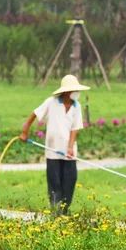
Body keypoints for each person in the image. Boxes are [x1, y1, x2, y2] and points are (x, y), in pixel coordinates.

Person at [19, 74, 89, 215]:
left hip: (69, 153)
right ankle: (55, 211)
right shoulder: (51, 103)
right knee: (54, 183)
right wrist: (25, 131)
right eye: (74, 90)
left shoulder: (77, 106)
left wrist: (70, 147)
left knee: (70, 181)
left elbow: (75, 128)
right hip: (52, 151)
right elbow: (34, 114)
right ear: (67, 91)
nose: (77, 93)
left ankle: (64, 211)